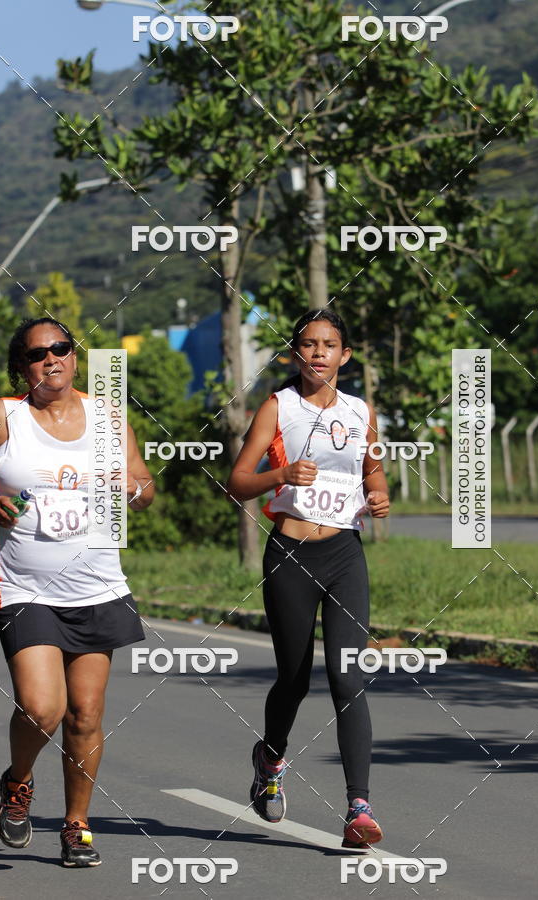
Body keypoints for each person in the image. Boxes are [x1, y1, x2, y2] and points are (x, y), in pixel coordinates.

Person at [0, 317, 154, 867]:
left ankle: (76, 825)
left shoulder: (108, 419)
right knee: (42, 708)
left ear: (75, 358)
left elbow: (145, 484)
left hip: (96, 584)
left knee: (85, 713)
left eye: (61, 349)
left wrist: (132, 489)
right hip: (23, 585)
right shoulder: (3, 415)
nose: (51, 359)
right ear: (23, 367)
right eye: (38, 354)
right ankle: (17, 783)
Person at [227, 309, 390, 849]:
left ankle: (359, 809)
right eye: (308, 345)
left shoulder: (360, 410)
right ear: (296, 355)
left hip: (345, 552)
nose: (318, 353)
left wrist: (378, 494)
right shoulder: (280, 407)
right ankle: (270, 756)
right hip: (291, 554)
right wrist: (281, 474)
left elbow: (371, 468)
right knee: (294, 680)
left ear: (345, 355)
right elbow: (237, 482)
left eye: (328, 345)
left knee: (348, 677)